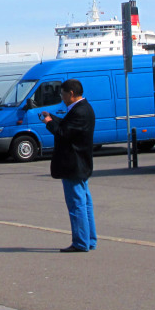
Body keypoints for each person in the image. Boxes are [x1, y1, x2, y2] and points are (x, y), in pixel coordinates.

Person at [38, 79, 97, 252]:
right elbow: (67, 126)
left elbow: (64, 133)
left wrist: (49, 122)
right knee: (84, 203)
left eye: (63, 94)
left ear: (71, 93)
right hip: (80, 163)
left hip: (74, 164)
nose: (62, 97)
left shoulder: (80, 111)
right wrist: (53, 118)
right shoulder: (82, 109)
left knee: (77, 204)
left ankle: (81, 242)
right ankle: (89, 240)